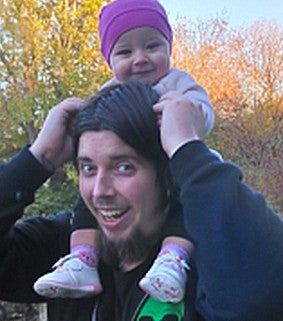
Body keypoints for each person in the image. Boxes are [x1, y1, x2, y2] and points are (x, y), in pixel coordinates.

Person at [1, 81, 283, 321]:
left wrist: (188, 150)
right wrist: (36, 160)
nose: (99, 191)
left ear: (167, 173)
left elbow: (265, 294)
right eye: (88, 168)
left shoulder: (208, 259)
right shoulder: (70, 252)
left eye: (124, 167)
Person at [33, 0, 216, 303]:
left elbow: (203, 112)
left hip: (174, 168)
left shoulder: (177, 83)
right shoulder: (109, 92)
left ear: (169, 48)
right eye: (125, 52)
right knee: (85, 204)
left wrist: (187, 117)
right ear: (109, 61)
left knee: (188, 203)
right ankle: (82, 258)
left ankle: (173, 259)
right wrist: (40, 155)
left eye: (152, 46)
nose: (141, 59)